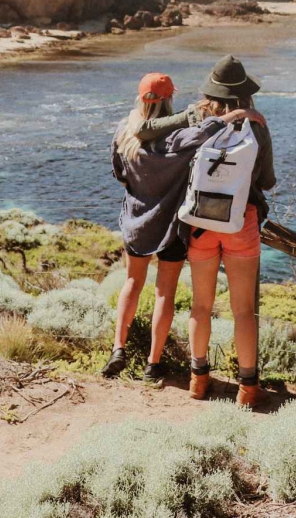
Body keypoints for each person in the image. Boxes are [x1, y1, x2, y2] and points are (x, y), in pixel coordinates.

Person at [105, 72, 260, 381]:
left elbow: (119, 173)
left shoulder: (124, 133)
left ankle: (118, 348)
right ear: (170, 98)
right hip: (170, 229)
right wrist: (237, 114)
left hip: (136, 223)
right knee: (165, 293)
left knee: (131, 284)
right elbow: (206, 135)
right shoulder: (176, 139)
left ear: (139, 97)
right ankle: (153, 363)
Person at [183, 55, 276, 407]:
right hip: (240, 221)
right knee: (243, 310)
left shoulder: (197, 121)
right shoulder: (258, 126)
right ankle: (248, 389)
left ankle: (198, 379)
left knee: (201, 305)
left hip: (200, 225)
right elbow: (267, 180)